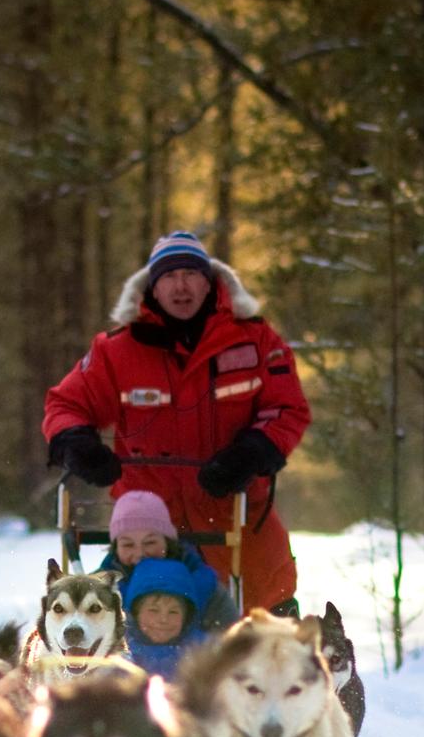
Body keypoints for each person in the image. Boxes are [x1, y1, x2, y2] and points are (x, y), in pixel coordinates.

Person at [45, 229, 311, 616]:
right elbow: (66, 403)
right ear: (153, 286)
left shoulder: (254, 341)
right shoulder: (117, 350)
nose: (181, 285)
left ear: (210, 282)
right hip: (148, 524)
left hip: (235, 511)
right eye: (169, 276)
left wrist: (255, 450)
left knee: (266, 610)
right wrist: (76, 443)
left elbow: (286, 408)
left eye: (191, 274)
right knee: (141, 617)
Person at [94, 489, 238, 632]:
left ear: (167, 542)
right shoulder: (96, 590)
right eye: (128, 545)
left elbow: (231, 643)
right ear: (115, 547)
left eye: (150, 543)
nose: (139, 554)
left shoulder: (204, 586)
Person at [121, 557, 211, 679]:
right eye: (153, 610)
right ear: (135, 613)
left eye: (173, 612)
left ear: (186, 617)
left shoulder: (205, 651)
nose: (163, 619)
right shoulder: (119, 651)